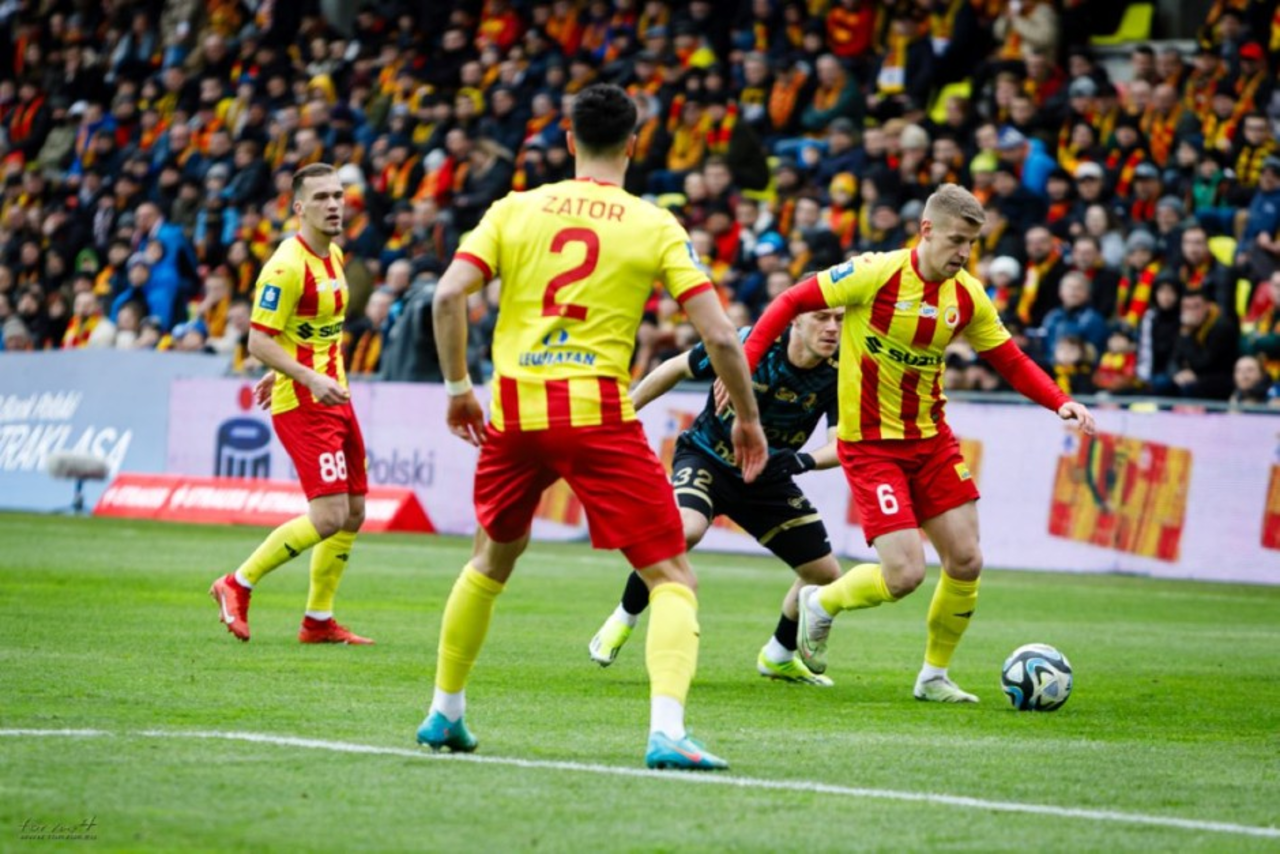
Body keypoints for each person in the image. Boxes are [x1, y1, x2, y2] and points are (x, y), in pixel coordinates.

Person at [417, 84, 767, 771]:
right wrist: (748, 419)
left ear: (569, 139)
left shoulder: (513, 209)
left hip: (515, 414)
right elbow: (723, 336)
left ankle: (444, 712)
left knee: (490, 560)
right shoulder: (653, 224)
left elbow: (448, 293)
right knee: (672, 576)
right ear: (634, 143)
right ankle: (667, 732)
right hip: (596, 415)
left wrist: (459, 390)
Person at [738, 184, 1096, 703]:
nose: (963, 253)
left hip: (931, 442)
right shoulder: (875, 273)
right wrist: (744, 364)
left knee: (966, 561)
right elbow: (791, 300)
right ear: (926, 230)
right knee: (904, 574)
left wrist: (1059, 401)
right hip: (871, 446)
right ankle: (822, 603)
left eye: (971, 244)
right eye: (955, 241)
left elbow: (1011, 359)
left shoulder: (967, 296)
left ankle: (933, 677)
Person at [588, 305, 845, 687]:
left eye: (839, 319)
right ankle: (624, 617)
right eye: (822, 317)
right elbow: (676, 367)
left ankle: (778, 655)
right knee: (685, 531)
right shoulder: (751, 344)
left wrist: (800, 461)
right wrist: (627, 411)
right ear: (795, 319)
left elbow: (843, 444)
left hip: (766, 476)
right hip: (708, 458)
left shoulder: (842, 371)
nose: (832, 328)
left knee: (823, 576)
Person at [208, 163, 373, 646]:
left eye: (338, 195)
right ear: (299, 207)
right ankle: (236, 583)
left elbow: (306, 332)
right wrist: (300, 375)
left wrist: (284, 366)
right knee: (328, 516)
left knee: (354, 510)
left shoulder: (334, 255)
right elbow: (257, 340)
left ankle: (318, 620)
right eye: (321, 197)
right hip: (305, 402)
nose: (334, 205)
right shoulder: (285, 267)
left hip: (334, 394)